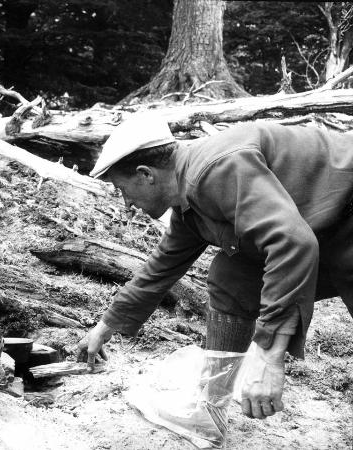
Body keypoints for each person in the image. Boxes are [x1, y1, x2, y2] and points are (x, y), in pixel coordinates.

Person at [76, 113, 353, 420]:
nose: (126, 203)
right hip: (329, 231)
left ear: (146, 174)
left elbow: (292, 243)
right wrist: (106, 326)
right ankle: (211, 406)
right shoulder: (188, 204)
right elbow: (161, 268)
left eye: (122, 189)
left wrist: (268, 357)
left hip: (345, 214)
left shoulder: (215, 169)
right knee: (233, 277)